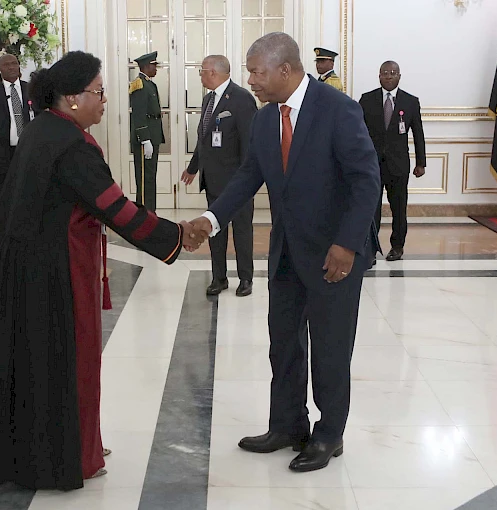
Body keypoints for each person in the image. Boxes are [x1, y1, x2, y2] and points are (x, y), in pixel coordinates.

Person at [0, 50, 203, 491]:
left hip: (22, 268)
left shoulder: (41, 130)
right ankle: (68, 455)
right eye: (99, 93)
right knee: (69, 360)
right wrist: (176, 234)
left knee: (29, 362)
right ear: (71, 98)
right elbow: (114, 209)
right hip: (56, 274)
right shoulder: (72, 145)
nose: (105, 101)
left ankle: (34, 452)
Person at [190, 33, 381, 473]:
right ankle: (287, 425)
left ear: (286, 70)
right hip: (287, 254)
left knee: (331, 349)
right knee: (284, 343)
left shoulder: (338, 109)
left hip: (336, 255)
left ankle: (329, 434)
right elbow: (246, 178)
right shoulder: (264, 120)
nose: (251, 79)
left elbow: (366, 180)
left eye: (256, 71)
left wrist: (347, 244)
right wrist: (210, 219)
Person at [182, 55, 257, 297]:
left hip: (237, 182)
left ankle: (246, 278)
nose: (201, 76)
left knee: (242, 231)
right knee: (214, 230)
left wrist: (247, 180)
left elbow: (249, 143)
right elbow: (203, 140)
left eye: (202, 71)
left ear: (213, 72)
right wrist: (193, 167)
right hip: (213, 180)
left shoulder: (242, 99)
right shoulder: (208, 100)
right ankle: (219, 277)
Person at [359, 61, 426, 262]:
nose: (389, 76)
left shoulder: (410, 101)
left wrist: (421, 162)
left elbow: (418, 134)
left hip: (399, 165)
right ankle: (370, 250)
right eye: (385, 73)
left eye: (393, 73)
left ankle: (397, 247)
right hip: (372, 165)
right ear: (379, 76)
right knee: (371, 208)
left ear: (399, 76)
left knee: (399, 208)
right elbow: (358, 132)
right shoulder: (367, 99)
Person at [0, 53, 34, 195]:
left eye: (14, 63)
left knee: (29, 195)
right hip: (3, 155)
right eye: (6, 65)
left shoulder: (31, 89)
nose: (11, 67)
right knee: (6, 197)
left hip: (28, 152)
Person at [129, 51, 164, 210]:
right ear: (146, 66)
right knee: (144, 179)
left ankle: (151, 214)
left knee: (150, 178)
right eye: (154, 66)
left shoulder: (149, 83)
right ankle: (144, 215)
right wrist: (144, 138)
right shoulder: (139, 84)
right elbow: (138, 114)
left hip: (152, 136)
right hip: (145, 138)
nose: (156, 69)